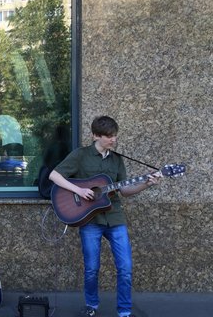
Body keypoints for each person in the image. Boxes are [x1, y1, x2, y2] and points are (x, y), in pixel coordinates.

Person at [48, 116, 161, 317]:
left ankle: (124, 311)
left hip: (115, 217)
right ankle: (91, 305)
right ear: (95, 136)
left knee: (125, 268)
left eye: (115, 135)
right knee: (92, 268)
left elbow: (124, 191)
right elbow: (54, 176)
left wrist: (146, 184)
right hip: (90, 219)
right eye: (109, 136)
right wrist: (80, 191)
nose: (113, 140)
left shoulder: (117, 159)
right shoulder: (80, 155)